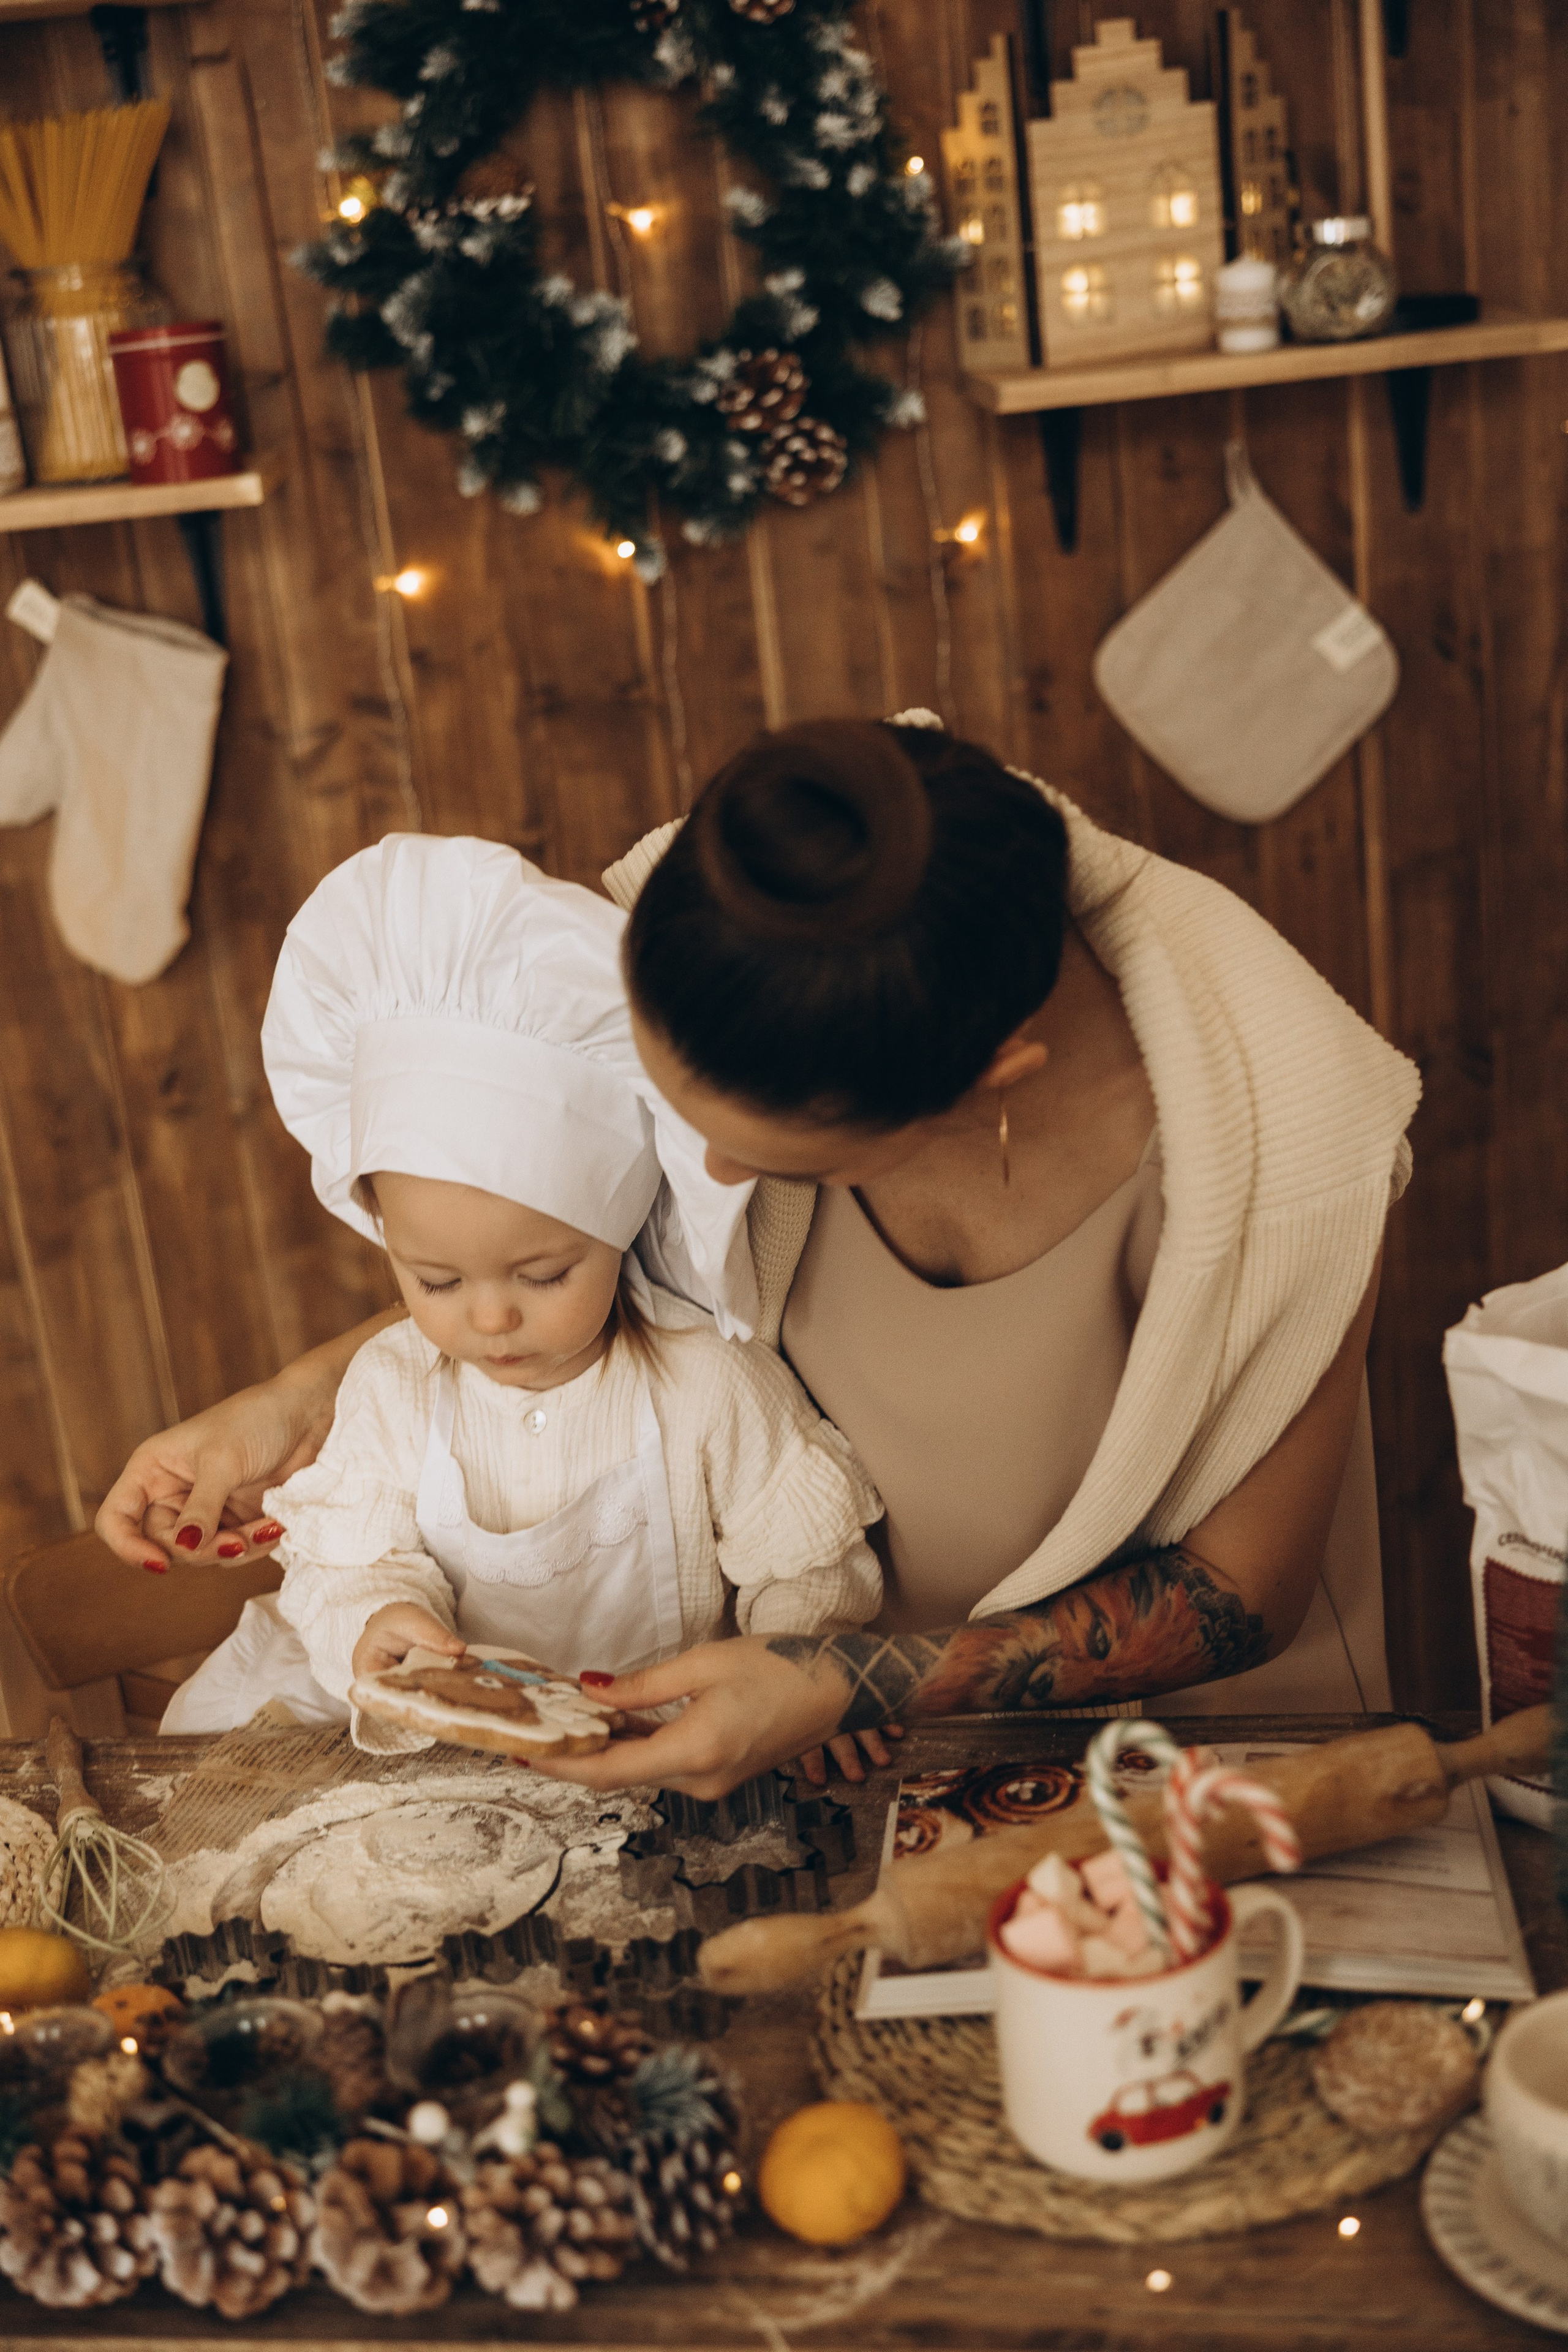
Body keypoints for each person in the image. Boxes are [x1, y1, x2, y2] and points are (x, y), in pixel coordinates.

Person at [103, 715, 1419, 1798]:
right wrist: (294, 1400)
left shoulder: (1283, 1150)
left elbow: (1242, 1595)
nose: (708, 1185)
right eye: (683, 1129)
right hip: (797, 1746)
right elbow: (546, 1247)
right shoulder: (726, 931)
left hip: (1153, 1765)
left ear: (986, 1075)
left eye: (784, 1156)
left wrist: (844, 1676)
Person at [159, 833, 885, 1762]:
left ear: (615, 1228)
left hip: (668, 1745)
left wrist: (801, 1669)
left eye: (543, 1276)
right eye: (435, 1281)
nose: (491, 1318)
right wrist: (382, 1622)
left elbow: (805, 1570)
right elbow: (352, 1562)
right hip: (449, 1754)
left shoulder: (708, 1383)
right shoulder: (391, 1388)